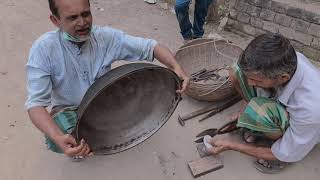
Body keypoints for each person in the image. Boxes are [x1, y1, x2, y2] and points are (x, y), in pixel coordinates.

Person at [25, 0, 190, 159]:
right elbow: (35, 105)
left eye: (86, 14)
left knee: (132, 99)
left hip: (104, 101)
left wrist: (176, 66)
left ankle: (100, 135)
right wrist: (57, 137)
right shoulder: (43, 50)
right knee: (62, 132)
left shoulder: (105, 38)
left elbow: (151, 47)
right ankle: (76, 144)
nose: (82, 22)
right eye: (72, 17)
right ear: (55, 20)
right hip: (69, 107)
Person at [204, 33, 320, 173]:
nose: (250, 83)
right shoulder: (282, 58)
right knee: (236, 71)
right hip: (281, 93)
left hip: (305, 124)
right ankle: (257, 114)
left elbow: (287, 151)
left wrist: (231, 146)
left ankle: (275, 147)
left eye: (257, 81)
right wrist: (245, 109)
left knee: (263, 116)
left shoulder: (310, 108)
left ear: (283, 77)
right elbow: (249, 77)